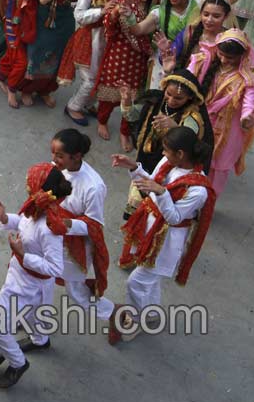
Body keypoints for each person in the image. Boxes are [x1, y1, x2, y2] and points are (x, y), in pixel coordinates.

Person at [110, 127, 216, 344]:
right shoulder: (169, 164)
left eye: (166, 151)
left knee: (135, 283)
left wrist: (161, 192)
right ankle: (151, 312)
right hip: (150, 228)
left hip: (165, 242)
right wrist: (134, 168)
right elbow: (152, 184)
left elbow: (175, 217)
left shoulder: (198, 190)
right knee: (151, 280)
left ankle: (136, 319)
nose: (163, 154)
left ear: (181, 154)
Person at [0, 163, 69, 388]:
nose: (25, 186)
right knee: (34, 315)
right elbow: (23, 223)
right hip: (23, 276)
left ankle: (17, 362)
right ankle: (40, 341)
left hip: (29, 284)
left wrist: (23, 254)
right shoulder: (37, 209)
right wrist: (4, 218)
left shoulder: (49, 227)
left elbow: (55, 268)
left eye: (30, 184)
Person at [185, 29, 254, 196]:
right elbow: (186, 80)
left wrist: (247, 118)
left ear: (243, 56)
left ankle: (207, 205)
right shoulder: (204, 62)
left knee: (218, 169)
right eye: (221, 54)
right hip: (200, 122)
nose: (224, 60)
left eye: (230, 58)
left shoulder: (249, 78)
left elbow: (249, 103)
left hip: (229, 129)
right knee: (192, 162)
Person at [119, 68, 214, 219]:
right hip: (145, 161)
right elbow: (133, 118)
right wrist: (126, 102)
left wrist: (175, 127)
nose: (170, 100)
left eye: (178, 98)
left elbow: (191, 142)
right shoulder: (155, 102)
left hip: (169, 168)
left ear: (189, 98)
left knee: (158, 212)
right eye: (168, 94)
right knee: (134, 213)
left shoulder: (192, 117)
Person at [58, 0, 131, 125]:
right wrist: (102, 11)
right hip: (91, 36)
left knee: (104, 76)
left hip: (112, 35)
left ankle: (87, 104)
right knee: (91, 79)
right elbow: (79, 15)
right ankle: (73, 107)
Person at [50, 129, 114, 338]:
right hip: (51, 234)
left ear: (76, 156)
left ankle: (113, 313)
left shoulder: (93, 187)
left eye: (59, 155)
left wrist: (65, 223)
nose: (54, 160)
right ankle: (31, 316)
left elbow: (94, 225)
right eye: (53, 154)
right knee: (38, 276)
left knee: (75, 291)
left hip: (74, 244)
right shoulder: (57, 168)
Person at [94, 0, 159, 150]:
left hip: (138, 60)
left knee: (131, 96)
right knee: (109, 93)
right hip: (119, 55)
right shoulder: (123, 1)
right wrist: (117, 11)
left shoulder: (154, 8)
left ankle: (124, 131)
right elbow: (108, 24)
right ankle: (102, 120)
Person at [17, 0, 82, 104]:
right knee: (38, 56)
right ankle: (27, 90)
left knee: (58, 57)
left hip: (64, 19)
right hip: (44, 19)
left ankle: (45, 90)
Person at [127, 0, 199, 89]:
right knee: (158, 96)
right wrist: (129, 16)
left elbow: (228, 1)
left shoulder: (198, 6)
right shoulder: (159, 13)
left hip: (190, 61)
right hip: (164, 59)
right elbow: (138, 30)